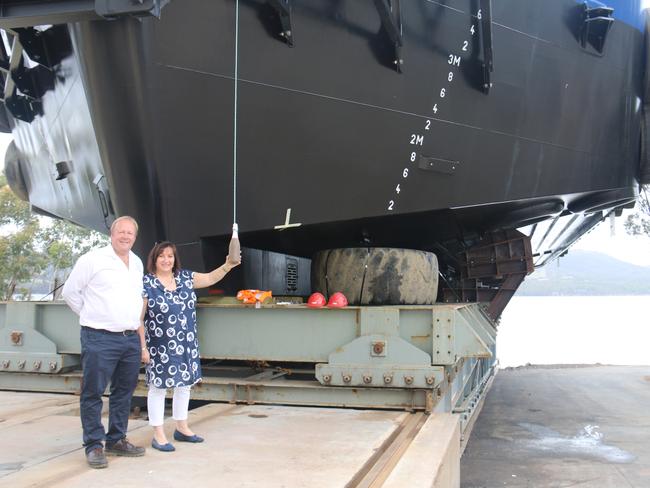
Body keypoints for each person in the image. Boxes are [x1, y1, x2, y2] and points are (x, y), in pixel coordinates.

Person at [62, 216, 148, 469]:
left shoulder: (137, 263)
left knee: (124, 392)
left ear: (135, 237)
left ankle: (117, 439)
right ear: (111, 234)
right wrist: (91, 316)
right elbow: (70, 293)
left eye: (130, 233)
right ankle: (94, 444)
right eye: (121, 231)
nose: (125, 236)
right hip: (99, 336)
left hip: (129, 338)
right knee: (93, 392)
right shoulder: (92, 260)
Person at [143, 241, 240, 452]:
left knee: (184, 385)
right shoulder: (146, 284)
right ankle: (158, 434)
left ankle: (182, 427)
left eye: (170, 256)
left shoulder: (185, 277)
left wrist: (228, 265)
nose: (166, 260)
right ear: (154, 259)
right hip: (160, 345)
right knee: (158, 388)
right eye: (162, 256)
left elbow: (210, 278)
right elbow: (138, 318)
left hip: (186, 342)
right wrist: (142, 347)